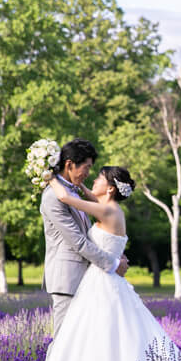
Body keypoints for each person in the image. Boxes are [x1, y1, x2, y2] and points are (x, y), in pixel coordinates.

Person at [38, 165, 181, 361]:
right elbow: (87, 194)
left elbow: (64, 196)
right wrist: (77, 182)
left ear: (110, 189)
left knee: (98, 332)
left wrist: (48, 173)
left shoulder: (107, 211)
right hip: (104, 276)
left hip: (101, 279)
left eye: (99, 177)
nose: (93, 180)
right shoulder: (108, 207)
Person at [41, 139, 130, 339]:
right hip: (67, 279)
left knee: (81, 342)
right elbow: (79, 242)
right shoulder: (53, 197)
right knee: (63, 341)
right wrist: (113, 263)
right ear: (69, 164)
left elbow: (91, 232)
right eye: (87, 167)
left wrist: (114, 252)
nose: (89, 174)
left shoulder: (75, 192)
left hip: (87, 278)